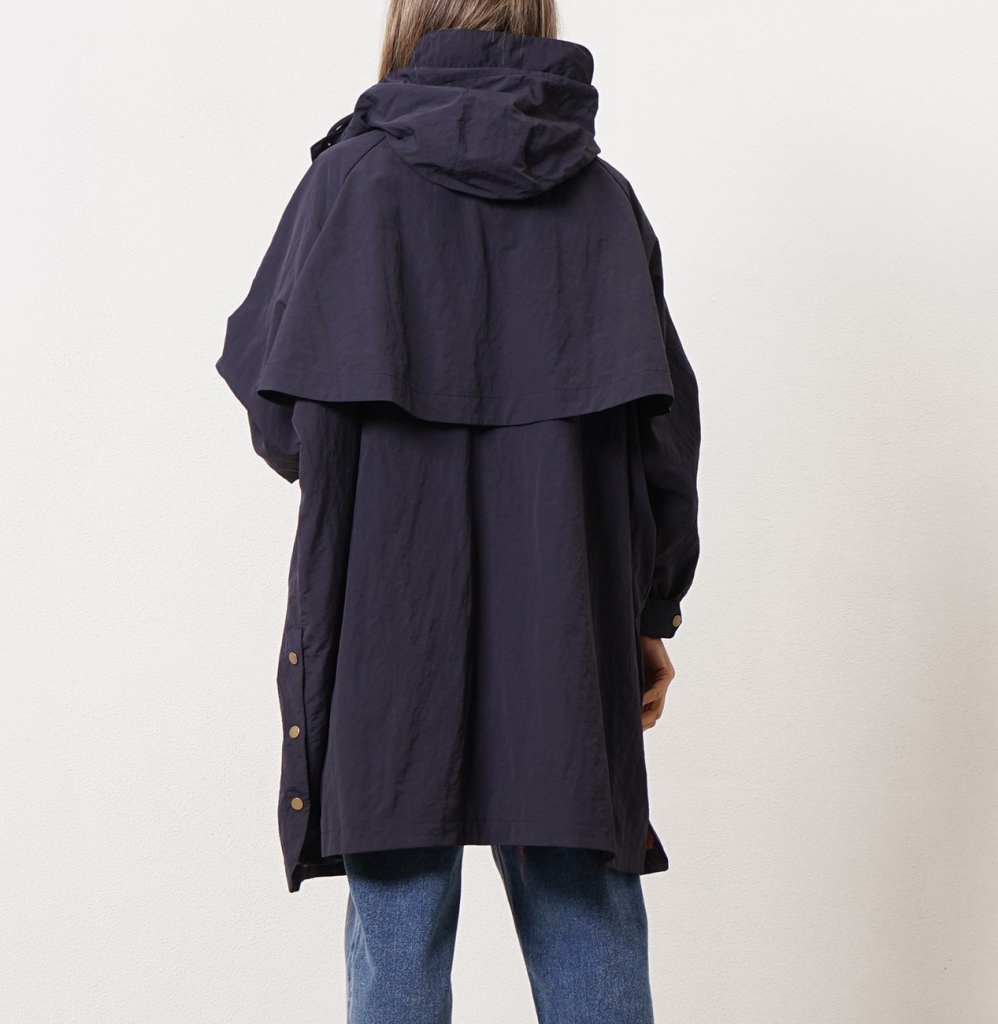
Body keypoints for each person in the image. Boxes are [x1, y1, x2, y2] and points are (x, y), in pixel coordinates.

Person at [215, 1, 701, 1020]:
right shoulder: (604, 200)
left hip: (388, 620)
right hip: (567, 626)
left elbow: (276, 414)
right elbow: (663, 441)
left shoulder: (348, 184)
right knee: (585, 914)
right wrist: (649, 612)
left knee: (396, 929)